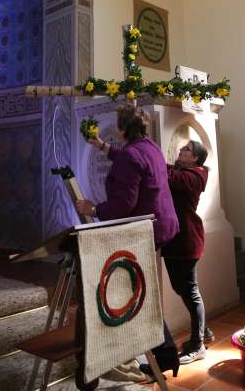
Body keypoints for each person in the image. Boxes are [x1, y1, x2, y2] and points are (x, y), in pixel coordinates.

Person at [76, 104, 180, 379]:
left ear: (121, 129)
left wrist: (94, 209)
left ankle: (165, 352)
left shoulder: (131, 155)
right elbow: (130, 158)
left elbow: (123, 204)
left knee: (139, 294)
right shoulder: (151, 147)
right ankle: (166, 352)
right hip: (162, 225)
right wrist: (102, 146)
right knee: (143, 291)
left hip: (144, 231)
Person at [161, 140, 213, 365]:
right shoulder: (179, 170)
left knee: (190, 291)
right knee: (179, 287)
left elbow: (170, 178)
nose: (181, 151)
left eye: (186, 150)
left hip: (188, 239)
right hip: (173, 241)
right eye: (182, 149)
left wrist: (152, 159)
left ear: (195, 158)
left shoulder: (195, 176)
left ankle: (198, 344)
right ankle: (204, 330)